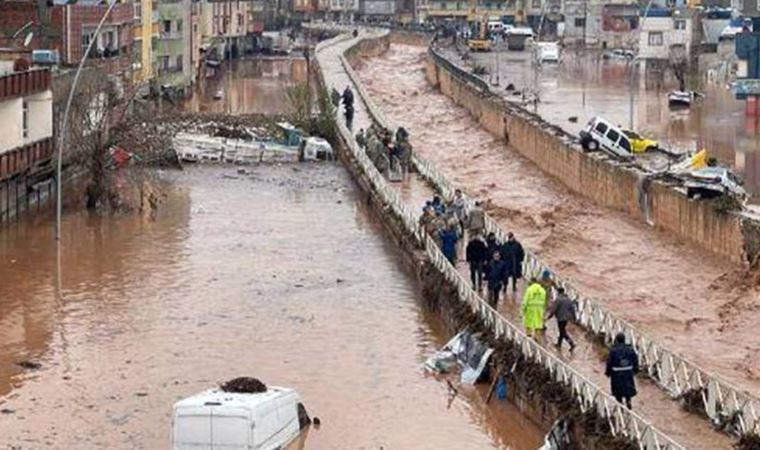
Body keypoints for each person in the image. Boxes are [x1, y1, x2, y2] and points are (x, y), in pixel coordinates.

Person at [605, 333, 639, 409]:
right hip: (628, 372)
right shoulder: (630, 349)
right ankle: (628, 401)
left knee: (618, 390)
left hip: (617, 373)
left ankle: (620, 406)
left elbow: (609, 362)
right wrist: (635, 370)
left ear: (616, 340)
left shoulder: (613, 350)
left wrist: (607, 372)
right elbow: (635, 359)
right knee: (628, 388)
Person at [545, 286, 576, 351]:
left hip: (560, 318)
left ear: (558, 292)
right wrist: (574, 318)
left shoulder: (558, 299)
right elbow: (572, 309)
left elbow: (554, 309)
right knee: (562, 331)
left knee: (562, 332)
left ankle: (571, 343)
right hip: (566, 318)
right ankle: (559, 344)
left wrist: (550, 316)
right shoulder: (568, 299)